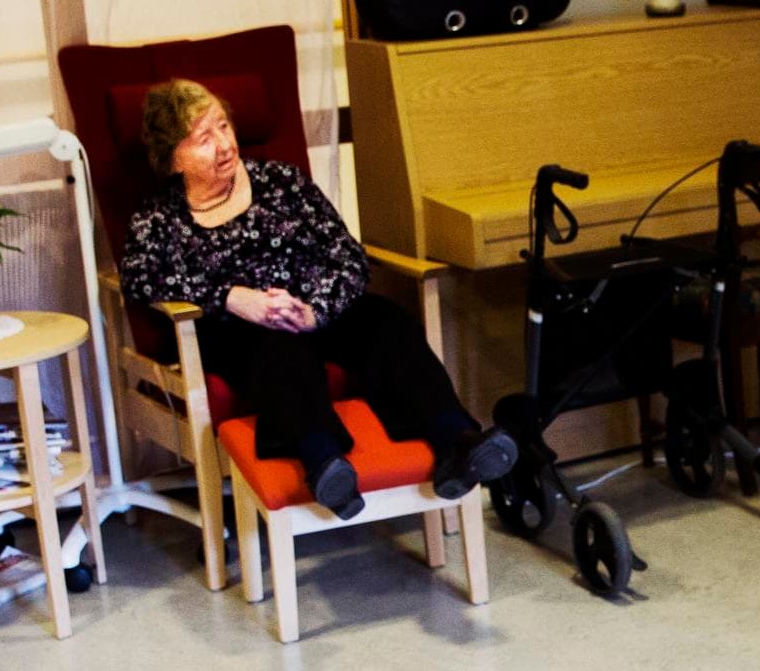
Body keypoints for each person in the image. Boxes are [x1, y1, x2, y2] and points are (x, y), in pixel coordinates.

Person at [115, 80, 512, 519]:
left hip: (314, 312)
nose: (224, 145)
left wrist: (314, 310)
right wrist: (232, 297)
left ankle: (456, 441)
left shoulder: (281, 181)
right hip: (238, 335)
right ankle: (323, 462)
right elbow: (139, 277)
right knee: (276, 349)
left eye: (224, 126)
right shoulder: (160, 217)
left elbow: (348, 256)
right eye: (203, 138)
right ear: (173, 157)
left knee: (385, 321)